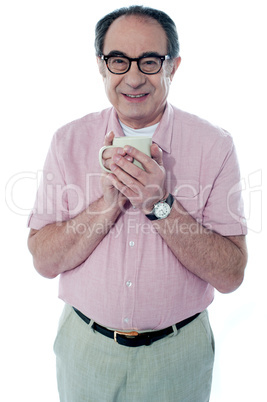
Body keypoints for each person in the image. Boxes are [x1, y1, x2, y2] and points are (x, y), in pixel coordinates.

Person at [27, 5, 248, 402]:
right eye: (118, 60)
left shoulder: (215, 146)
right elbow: (43, 261)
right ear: (101, 66)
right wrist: (106, 204)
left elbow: (232, 275)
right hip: (85, 350)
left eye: (149, 61)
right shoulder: (67, 141)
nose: (132, 77)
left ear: (173, 66)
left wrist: (158, 204)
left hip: (178, 355)